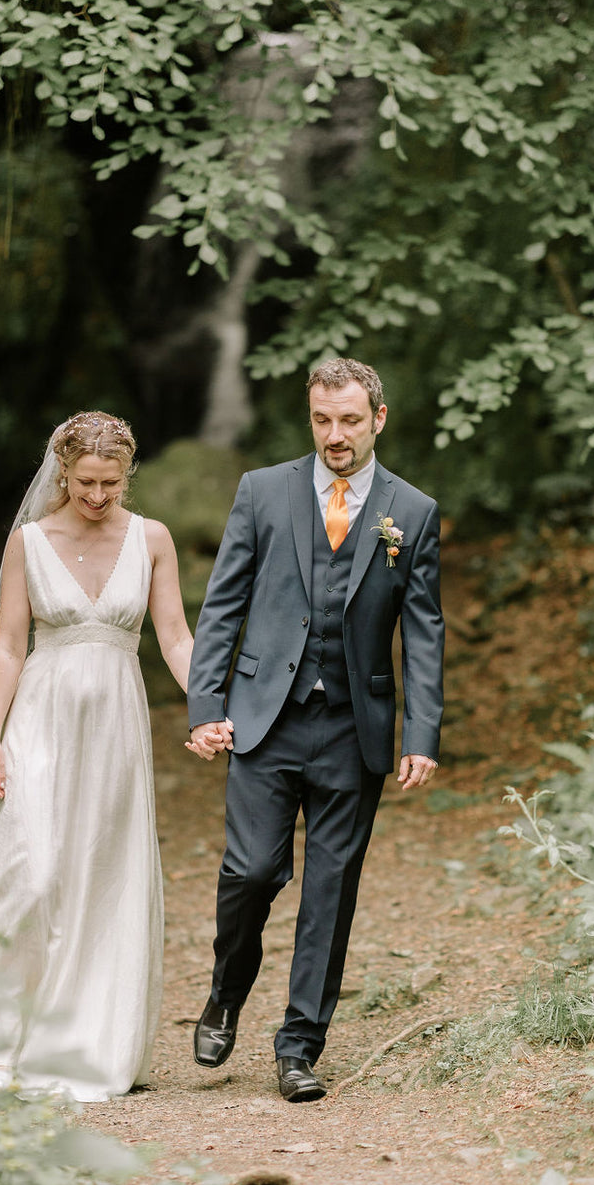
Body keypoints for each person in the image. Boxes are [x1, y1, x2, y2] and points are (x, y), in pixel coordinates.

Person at [0, 412, 196, 1101]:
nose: (98, 496)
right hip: (39, 719)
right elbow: (9, 645)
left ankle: (85, 1043)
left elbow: (176, 637)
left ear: (129, 473)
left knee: (100, 877)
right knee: (28, 872)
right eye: (85, 482)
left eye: (111, 482)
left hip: (115, 728)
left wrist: (212, 706)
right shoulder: (29, 542)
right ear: (62, 471)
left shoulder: (152, 539)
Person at [186, 358, 444, 1102]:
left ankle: (299, 1045)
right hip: (264, 720)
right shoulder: (263, 490)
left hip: (354, 728)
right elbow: (223, 605)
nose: (335, 435)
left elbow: (424, 632)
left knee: (330, 891)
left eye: (350, 421)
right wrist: (207, 707)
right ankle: (226, 991)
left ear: (378, 419)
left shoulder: (413, 511)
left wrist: (420, 733)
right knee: (253, 871)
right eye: (323, 420)